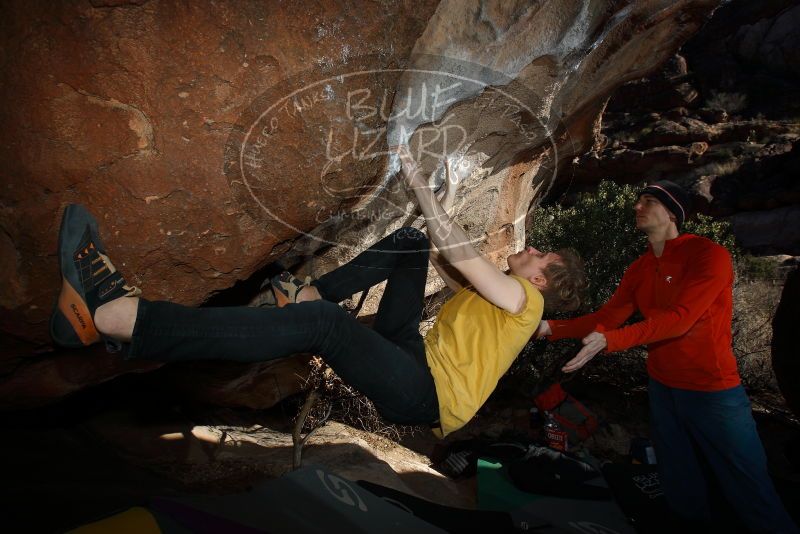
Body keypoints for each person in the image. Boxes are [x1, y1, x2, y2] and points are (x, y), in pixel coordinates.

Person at [50, 148, 586, 438]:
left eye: (541, 255)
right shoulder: (511, 305)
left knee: (327, 327)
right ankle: (301, 293)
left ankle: (119, 318)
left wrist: (422, 187)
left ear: (541, 279)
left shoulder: (526, 299)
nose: (531, 250)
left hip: (426, 394)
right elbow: (451, 266)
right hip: (413, 353)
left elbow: (464, 256)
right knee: (408, 245)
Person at [536, 180, 797, 532]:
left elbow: (679, 320)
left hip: (713, 392)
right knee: (679, 477)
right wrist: (549, 328)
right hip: (663, 388)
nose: (637, 207)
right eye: (637, 201)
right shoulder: (640, 268)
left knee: (746, 480)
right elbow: (606, 318)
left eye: (648, 201)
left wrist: (609, 341)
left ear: (672, 212)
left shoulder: (708, 255)